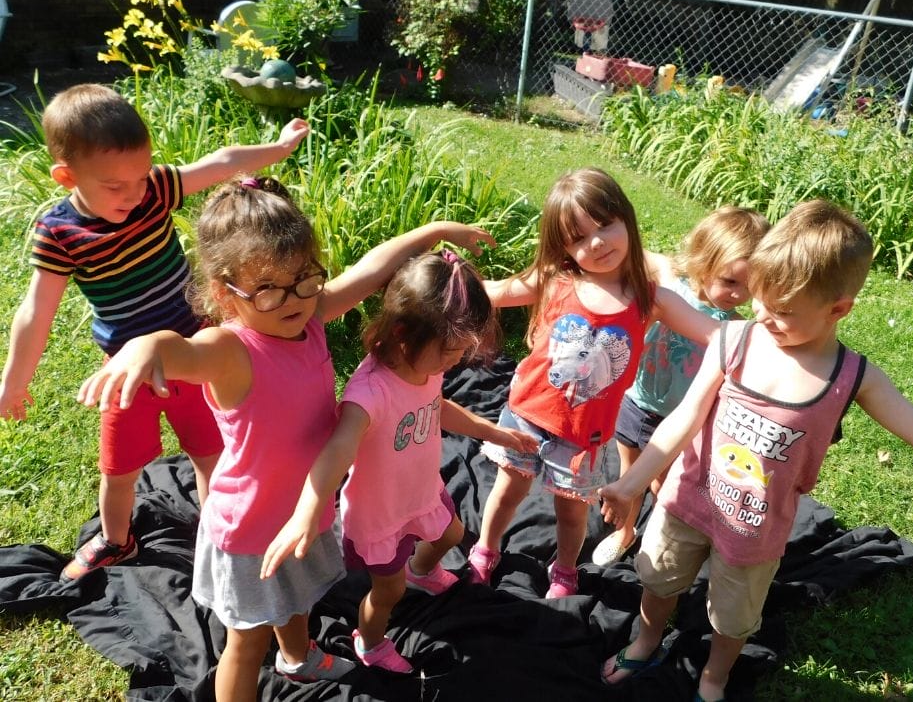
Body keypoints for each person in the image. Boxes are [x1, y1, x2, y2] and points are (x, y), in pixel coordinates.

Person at [78, 177, 497, 700]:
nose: (293, 298)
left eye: (305, 278)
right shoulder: (231, 350)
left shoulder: (312, 317)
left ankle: (298, 657)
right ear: (223, 292)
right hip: (254, 530)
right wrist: (145, 345)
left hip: (307, 510)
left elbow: (371, 268)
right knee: (246, 643)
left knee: (298, 602)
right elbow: (180, 350)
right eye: (269, 287)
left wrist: (432, 230)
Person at [597, 200, 913, 701]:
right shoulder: (736, 340)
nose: (762, 315)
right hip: (685, 501)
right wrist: (631, 484)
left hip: (756, 531)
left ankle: (714, 676)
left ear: (838, 309)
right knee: (658, 580)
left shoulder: (851, 377)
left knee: (734, 618)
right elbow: (684, 418)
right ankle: (646, 641)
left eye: (782, 312)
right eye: (759, 298)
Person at [0, 84, 310, 582]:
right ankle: (116, 540)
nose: (134, 194)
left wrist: (278, 148)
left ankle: (219, 538)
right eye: (114, 186)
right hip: (128, 371)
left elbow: (222, 160)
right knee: (118, 469)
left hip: (196, 353)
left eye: (141, 178)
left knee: (212, 452)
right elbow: (37, 309)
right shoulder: (58, 232)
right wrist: (15, 381)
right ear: (66, 176)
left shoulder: (156, 191)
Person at [260, 249, 538, 673]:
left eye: (461, 350)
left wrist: (495, 432)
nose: (456, 360)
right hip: (381, 515)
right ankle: (370, 643)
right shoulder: (369, 395)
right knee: (386, 592)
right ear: (405, 333)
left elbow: (438, 405)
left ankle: (423, 572)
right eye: (450, 351)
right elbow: (339, 449)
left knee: (452, 534)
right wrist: (308, 509)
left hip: (422, 490)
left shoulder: (426, 367)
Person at [465, 167, 719, 598]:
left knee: (571, 513)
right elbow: (495, 291)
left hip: (585, 438)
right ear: (563, 246)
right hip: (525, 417)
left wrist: (769, 338)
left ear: (627, 220)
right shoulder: (554, 278)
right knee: (507, 491)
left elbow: (713, 333)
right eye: (579, 238)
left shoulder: (650, 298)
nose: (596, 242)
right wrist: (448, 275)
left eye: (605, 226)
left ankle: (564, 570)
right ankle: (486, 549)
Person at [592, 207, 770, 566]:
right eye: (730, 282)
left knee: (665, 484)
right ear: (702, 263)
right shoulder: (670, 285)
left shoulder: (735, 327)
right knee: (629, 469)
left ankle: (665, 539)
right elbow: (637, 250)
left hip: (679, 420)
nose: (738, 296)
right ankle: (625, 533)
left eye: (749, 287)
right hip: (636, 400)